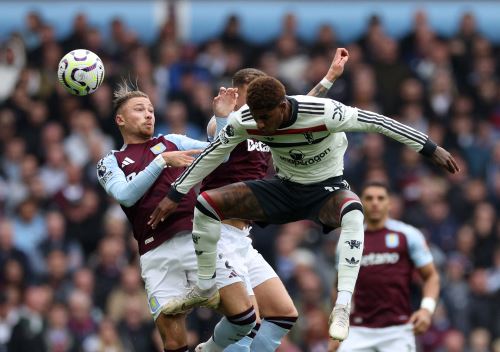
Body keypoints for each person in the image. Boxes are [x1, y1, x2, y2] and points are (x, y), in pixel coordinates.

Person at [148, 75, 459, 341]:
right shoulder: (247, 120)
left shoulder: (327, 113)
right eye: (255, 116)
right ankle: (204, 286)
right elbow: (214, 154)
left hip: (325, 191)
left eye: (265, 117)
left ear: (283, 107)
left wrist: (430, 148)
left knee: (354, 212)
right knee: (207, 203)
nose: (259, 124)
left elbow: (379, 123)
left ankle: (341, 307)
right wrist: (176, 192)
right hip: (285, 188)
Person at [201, 48, 349, 352]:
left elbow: (300, 109)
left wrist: (330, 78)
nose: (259, 105)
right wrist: (221, 113)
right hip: (218, 233)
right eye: (250, 97)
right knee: (248, 321)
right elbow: (217, 149)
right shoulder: (224, 123)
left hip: (243, 237)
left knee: (283, 314)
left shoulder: (268, 123)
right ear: (236, 96)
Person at [96, 83, 256, 352]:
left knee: (245, 317)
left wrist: (221, 117)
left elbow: (221, 153)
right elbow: (125, 195)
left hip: (197, 241)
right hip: (155, 254)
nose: (148, 114)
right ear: (120, 119)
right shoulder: (110, 161)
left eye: (150, 109)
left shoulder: (171, 141)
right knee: (174, 343)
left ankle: (209, 349)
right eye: (139, 109)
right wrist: (162, 162)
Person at [332, 181, 440, 351]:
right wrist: (336, 328)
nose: (375, 202)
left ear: (389, 203)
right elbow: (339, 286)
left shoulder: (408, 235)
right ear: (361, 203)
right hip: (358, 330)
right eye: (369, 198)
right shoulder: (349, 240)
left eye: (380, 198)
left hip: (398, 330)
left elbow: (431, 276)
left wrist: (426, 310)